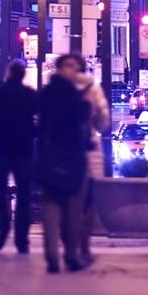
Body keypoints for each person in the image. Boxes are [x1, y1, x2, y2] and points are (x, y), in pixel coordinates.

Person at [35, 55, 91, 274]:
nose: (74, 72)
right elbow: (82, 117)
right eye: (71, 67)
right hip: (71, 157)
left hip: (49, 156)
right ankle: (70, 254)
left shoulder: (46, 94)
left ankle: (52, 256)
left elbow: (39, 122)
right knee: (72, 211)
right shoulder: (74, 96)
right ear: (61, 69)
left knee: (51, 208)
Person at [0, 60, 37, 253]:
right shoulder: (29, 95)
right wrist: (33, 131)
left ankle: (3, 228)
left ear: (9, 73)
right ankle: (22, 239)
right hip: (25, 149)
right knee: (24, 193)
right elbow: (42, 119)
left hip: (3, 146)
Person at [73, 57, 110, 267]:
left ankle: (69, 241)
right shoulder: (92, 88)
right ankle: (84, 246)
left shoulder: (60, 87)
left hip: (65, 150)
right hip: (89, 148)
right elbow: (104, 119)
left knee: (68, 198)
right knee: (87, 201)